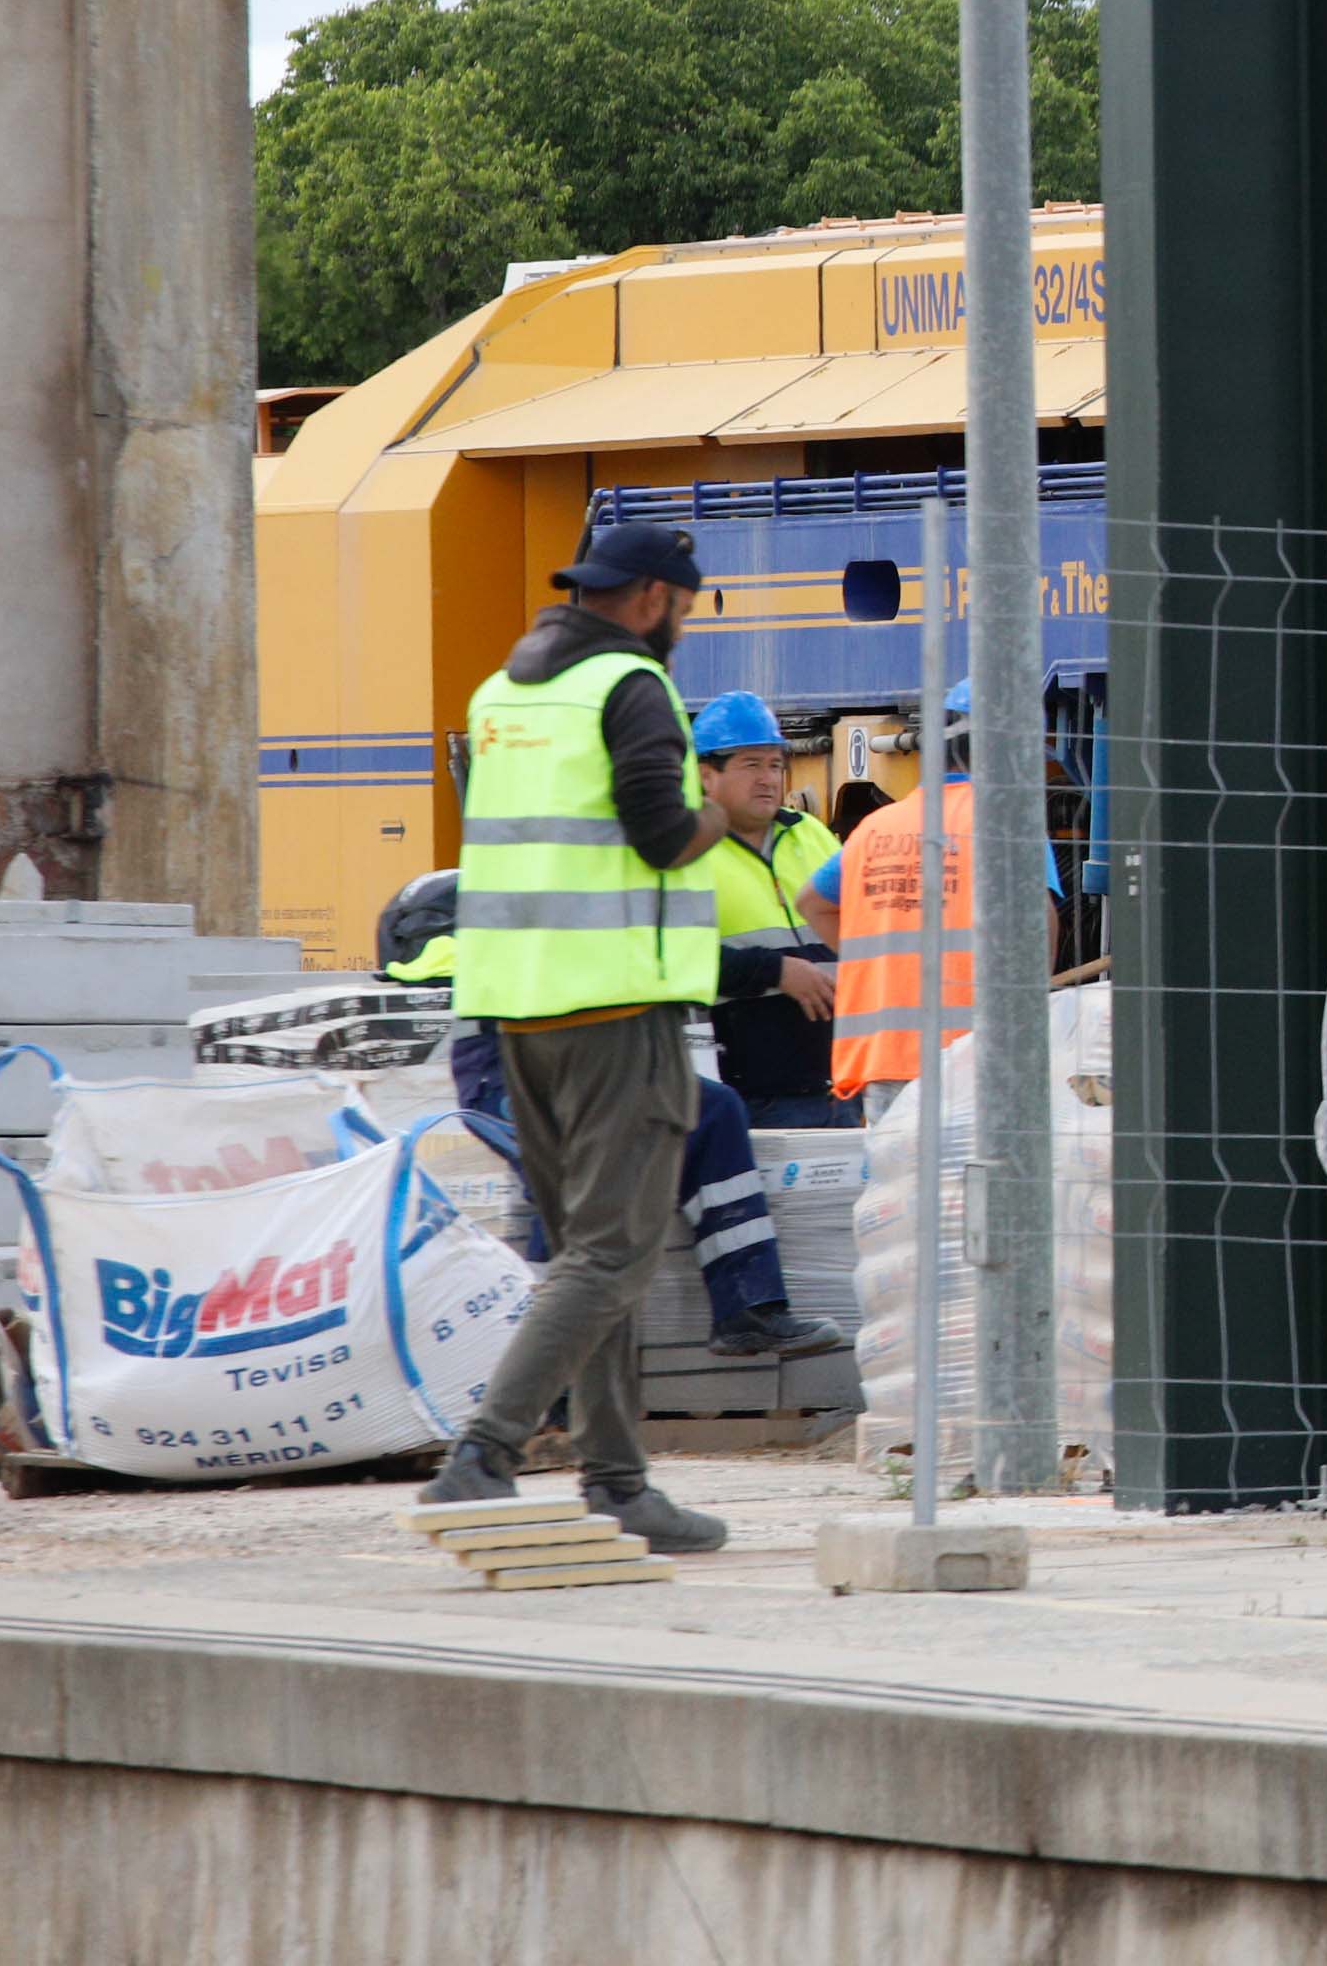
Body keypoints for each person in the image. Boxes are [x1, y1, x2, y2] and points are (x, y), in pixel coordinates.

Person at [411, 517, 733, 1552]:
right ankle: (486, 1452)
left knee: (598, 1267)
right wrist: (719, 814)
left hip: (519, 1011)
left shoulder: (503, 692)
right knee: (606, 1257)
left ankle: (619, 1480)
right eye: (681, 606)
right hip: (613, 1013)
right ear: (649, 596)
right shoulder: (630, 687)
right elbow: (661, 830)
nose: (680, 624)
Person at [378, 867, 847, 1365]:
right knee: (566, 1184)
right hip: (514, 1056)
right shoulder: (550, 879)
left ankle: (747, 1307)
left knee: (710, 1111)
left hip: (591, 1051)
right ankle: (549, 1377)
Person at [812, 678, 1066, 1109]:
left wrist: (869, 971)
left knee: (900, 1176)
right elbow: (1036, 921)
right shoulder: (1005, 820)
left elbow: (814, 904)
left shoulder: (876, 828)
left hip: (886, 1060)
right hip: (972, 1058)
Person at [688, 691, 851, 1128]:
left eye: (775, 765)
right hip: (749, 1095)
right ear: (706, 776)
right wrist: (777, 971)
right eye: (751, 765)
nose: (768, 779)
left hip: (840, 1084)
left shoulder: (810, 834)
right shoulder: (686, 852)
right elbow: (674, 960)